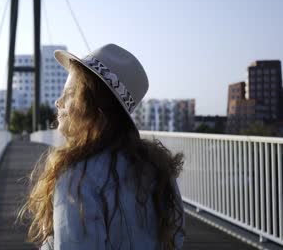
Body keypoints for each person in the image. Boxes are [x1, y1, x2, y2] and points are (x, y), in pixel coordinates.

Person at [18, 44, 185, 249]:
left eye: (69, 93)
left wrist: (50, 241)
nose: (57, 102)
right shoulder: (159, 170)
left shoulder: (77, 180)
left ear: (91, 105)